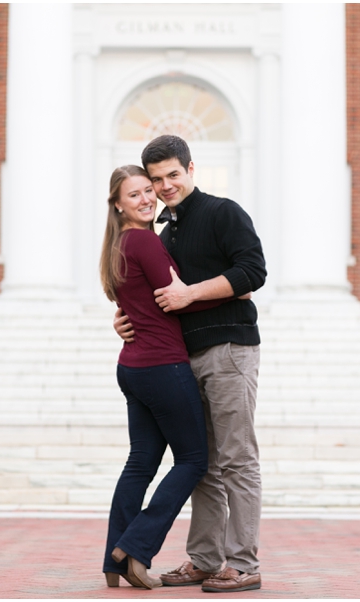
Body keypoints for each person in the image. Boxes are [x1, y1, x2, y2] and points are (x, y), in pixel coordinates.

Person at [113, 135, 266, 593]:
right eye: (156, 180)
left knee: (236, 459)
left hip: (229, 350)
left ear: (191, 169)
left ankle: (243, 563)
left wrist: (192, 292)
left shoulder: (224, 212)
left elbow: (253, 273)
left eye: (172, 175)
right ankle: (204, 558)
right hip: (182, 358)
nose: (164, 186)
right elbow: (158, 296)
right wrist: (125, 320)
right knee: (201, 462)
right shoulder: (164, 232)